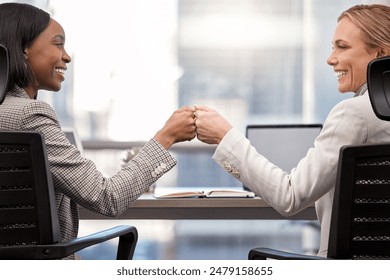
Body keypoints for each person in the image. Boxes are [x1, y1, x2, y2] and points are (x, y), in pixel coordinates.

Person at [0, 3, 196, 259]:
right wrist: (166, 137)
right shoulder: (31, 116)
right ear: (24, 49)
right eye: (58, 44)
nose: (67, 56)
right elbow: (107, 197)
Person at [194, 4, 390, 257]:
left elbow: (290, 197)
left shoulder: (355, 113)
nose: (331, 59)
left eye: (342, 47)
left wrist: (225, 137)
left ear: (380, 53)